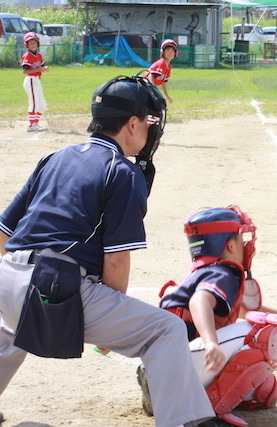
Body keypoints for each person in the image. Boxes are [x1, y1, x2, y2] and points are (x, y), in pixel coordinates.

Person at [0, 75, 224, 427]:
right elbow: (116, 261)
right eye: (148, 122)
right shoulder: (122, 171)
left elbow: (4, 234)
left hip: (7, 276)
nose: (151, 131)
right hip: (55, 287)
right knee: (165, 331)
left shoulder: (55, 158)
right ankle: (186, 421)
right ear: (131, 124)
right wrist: (111, 326)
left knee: (10, 326)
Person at [137, 205, 277, 426]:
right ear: (231, 244)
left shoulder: (202, 273)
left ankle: (167, 393)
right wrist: (211, 343)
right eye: (241, 238)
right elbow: (199, 301)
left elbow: (244, 311)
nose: (245, 245)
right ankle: (202, 408)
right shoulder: (223, 272)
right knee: (268, 331)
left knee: (263, 390)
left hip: (168, 363)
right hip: (180, 365)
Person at [21, 32, 48, 132]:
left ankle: (36, 123)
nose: (33, 44)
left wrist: (43, 69)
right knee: (34, 103)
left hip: (37, 80)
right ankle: (32, 125)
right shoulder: (27, 55)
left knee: (42, 104)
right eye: (30, 42)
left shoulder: (39, 55)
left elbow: (40, 67)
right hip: (30, 80)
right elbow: (25, 71)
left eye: (35, 42)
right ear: (26, 44)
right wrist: (39, 70)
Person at [146, 39, 178, 104]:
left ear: (175, 53)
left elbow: (163, 82)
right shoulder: (161, 63)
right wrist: (153, 89)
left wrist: (166, 96)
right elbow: (150, 75)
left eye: (172, 51)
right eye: (168, 50)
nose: (170, 53)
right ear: (162, 52)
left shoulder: (168, 66)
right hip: (146, 87)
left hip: (151, 88)